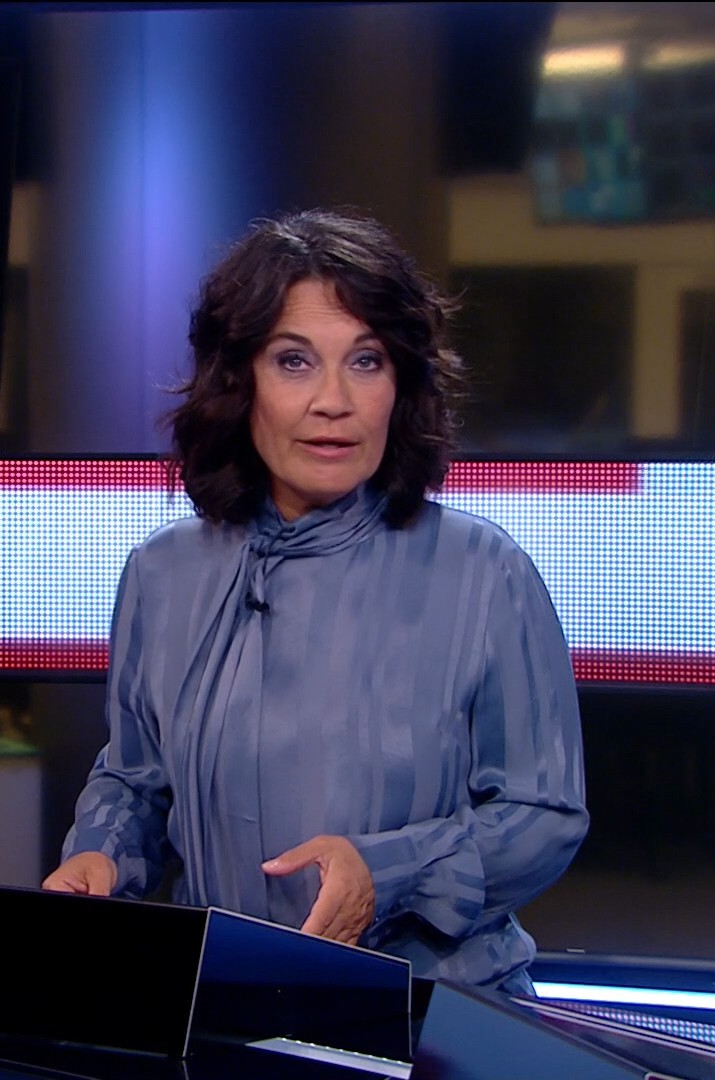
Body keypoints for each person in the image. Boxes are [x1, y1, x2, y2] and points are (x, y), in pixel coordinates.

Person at [41, 208, 588, 997]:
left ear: (400, 387)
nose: (334, 400)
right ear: (240, 383)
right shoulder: (161, 573)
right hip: (222, 1005)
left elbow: (545, 812)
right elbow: (136, 778)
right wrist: (100, 855)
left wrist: (390, 873)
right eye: (294, 362)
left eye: (366, 361)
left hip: (429, 1015)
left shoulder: (485, 571)